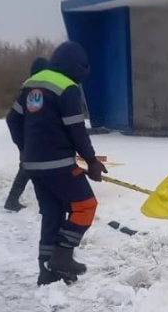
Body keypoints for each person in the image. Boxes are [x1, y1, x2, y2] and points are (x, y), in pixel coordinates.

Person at [6, 41, 107, 285]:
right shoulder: (67, 87)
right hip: (58, 164)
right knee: (86, 206)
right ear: (77, 67)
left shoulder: (32, 83)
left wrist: (26, 150)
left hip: (34, 167)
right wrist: (91, 161)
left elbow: (12, 119)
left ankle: (47, 271)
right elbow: (76, 129)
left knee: (52, 213)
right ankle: (62, 255)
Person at [3, 56, 48, 212]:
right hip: (32, 141)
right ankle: (13, 200)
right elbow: (12, 119)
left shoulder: (30, 89)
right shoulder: (32, 91)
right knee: (29, 169)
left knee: (29, 169)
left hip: (33, 140)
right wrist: (22, 143)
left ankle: (12, 200)